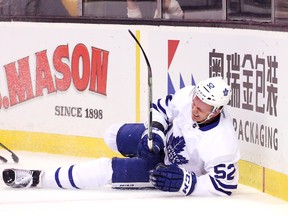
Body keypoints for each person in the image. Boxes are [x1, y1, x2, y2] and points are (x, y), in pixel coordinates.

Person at [2, 76, 240, 196]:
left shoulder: (221, 142)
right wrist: (155, 132)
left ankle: (39, 178)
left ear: (217, 110)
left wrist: (189, 183)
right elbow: (160, 108)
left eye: (203, 106)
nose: (195, 106)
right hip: (161, 142)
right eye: (197, 98)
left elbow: (225, 185)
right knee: (112, 135)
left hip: (166, 170)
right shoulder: (189, 97)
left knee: (105, 169)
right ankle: (142, 151)